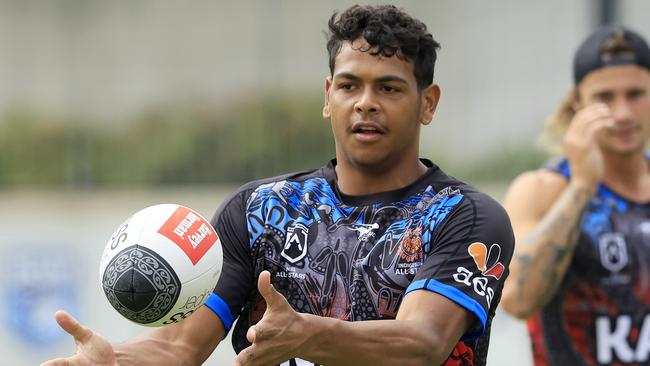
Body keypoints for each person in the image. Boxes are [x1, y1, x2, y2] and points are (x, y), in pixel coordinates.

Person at [42, 5, 513, 366]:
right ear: (329, 97)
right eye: (350, 86)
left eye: (388, 88)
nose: (365, 104)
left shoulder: (465, 215)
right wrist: (116, 359)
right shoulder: (258, 209)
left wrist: (307, 334)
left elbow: (422, 344)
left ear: (427, 103)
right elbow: (179, 346)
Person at [500, 25, 650, 365]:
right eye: (605, 98)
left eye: (636, 94)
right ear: (577, 103)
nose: (623, 113)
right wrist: (583, 186)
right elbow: (516, 299)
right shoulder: (543, 189)